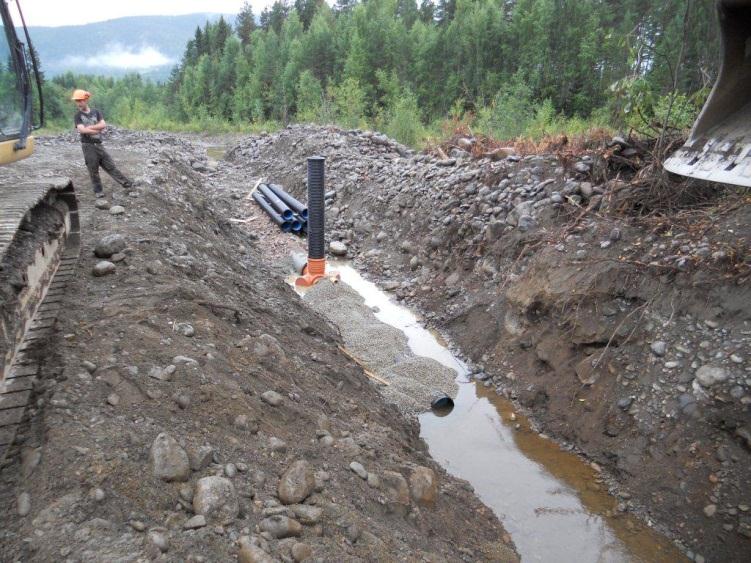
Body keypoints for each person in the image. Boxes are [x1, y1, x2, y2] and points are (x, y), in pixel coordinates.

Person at [72, 89, 132, 198]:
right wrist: (96, 130)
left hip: (99, 144)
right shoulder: (78, 116)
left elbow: (103, 124)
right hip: (88, 146)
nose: (79, 103)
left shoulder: (96, 112)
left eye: (80, 100)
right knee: (93, 170)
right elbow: (82, 130)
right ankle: (98, 191)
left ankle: (127, 184)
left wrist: (90, 127)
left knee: (111, 165)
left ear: (86, 100)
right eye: (77, 101)